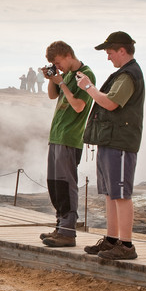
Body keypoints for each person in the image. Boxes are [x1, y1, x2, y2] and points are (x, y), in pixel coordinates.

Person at [78, 31, 145, 260]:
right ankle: (112, 240)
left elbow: (110, 103)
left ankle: (126, 246)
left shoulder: (128, 75)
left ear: (122, 50)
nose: (108, 57)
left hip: (120, 142)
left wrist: (89, 87)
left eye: (109, 52)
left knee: (121, 194)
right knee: (110, 193)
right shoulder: (123, 74)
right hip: (111, 140)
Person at [39, 41, 96, 248]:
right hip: (57, 136)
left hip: (70, 137)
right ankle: (61, 226)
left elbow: (79, 106)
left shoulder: (85, 74)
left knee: (66, 184)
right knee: (55, 184)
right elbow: (53, 95)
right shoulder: (68, 76)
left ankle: (68, 232)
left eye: (57, 62)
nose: (58, 66)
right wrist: (53, 80)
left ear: (67, 54)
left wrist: (62, 82)